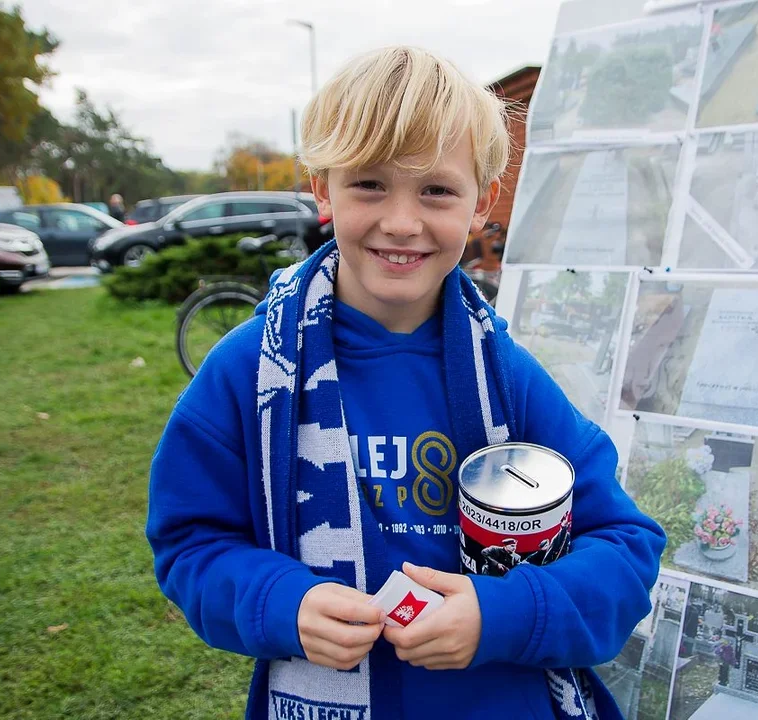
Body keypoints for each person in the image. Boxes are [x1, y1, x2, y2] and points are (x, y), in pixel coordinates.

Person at [146, 45, 665, 720]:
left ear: (481, 204)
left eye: (436, 191)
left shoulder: (508, 379)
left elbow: (626, 550)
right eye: (369, 183)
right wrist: (283, 602)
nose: (401, 221)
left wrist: (498, 614)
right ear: (321, 188)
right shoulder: (247, 372)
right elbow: (191, 544)